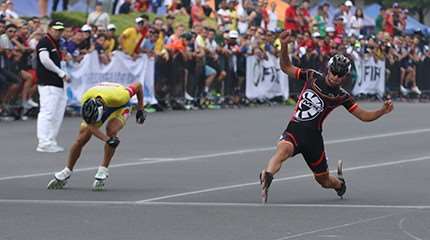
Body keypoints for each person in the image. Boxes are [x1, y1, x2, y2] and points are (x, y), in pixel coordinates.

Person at [259, 31, 394, 203]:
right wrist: (284, 45)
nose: (335, 77)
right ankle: (267, 176)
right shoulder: (311, 76)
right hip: (295, 128)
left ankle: (339, 185)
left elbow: (363, 116)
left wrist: (381, 111)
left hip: (314, 138)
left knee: (323, 180)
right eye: (333, 72)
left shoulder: (342, 96)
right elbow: (286, 67)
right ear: (328, 69)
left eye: (340, 75)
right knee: (282, 150)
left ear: (345, 77)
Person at [47, 81, 147, 191]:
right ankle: (67, 170)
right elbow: (91, 126)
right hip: (100, 96)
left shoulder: (120, 97)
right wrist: (107, 140)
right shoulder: (85, 99)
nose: (94, 123)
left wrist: (140, 108)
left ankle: (103, 169)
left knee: (111, 130)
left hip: (120, 106)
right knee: (81, 138)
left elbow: (138, 85)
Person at [36, 20, 70, 152]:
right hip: (48, 82)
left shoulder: (56, 43)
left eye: (60, 30)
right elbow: (45, 60)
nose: (58, 32)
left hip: (57, 83)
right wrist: (61, 73)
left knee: (57, 112)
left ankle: (50, 140)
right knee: (48, 112)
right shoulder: (45, 42)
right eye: (56, 29)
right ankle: (44, 142)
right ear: (49, 29)